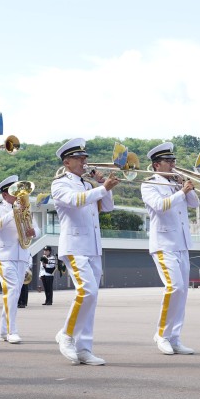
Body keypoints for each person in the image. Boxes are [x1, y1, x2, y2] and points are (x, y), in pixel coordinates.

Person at [52, 138, 118, 367]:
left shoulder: (88, 185)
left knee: (92, 298)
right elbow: (75, 201)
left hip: (92, 247)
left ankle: (84, 348)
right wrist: (102, 188)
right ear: (67, 161)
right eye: (79, 158)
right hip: (74, 246)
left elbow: (108, 207)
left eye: (84, 158)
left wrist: (103, 187)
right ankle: (66, 335)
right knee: (86, 291)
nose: (84, 162)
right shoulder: (60, 184)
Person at [140, 142, 198, 355]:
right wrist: (181, 191)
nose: (173, 164)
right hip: (164, 244)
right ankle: (162, 334)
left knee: (182, 293)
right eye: (169, 161)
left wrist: (187, 187)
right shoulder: (149, 184)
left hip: (182, 243)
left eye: (173, 160)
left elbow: (195, 204)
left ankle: (175, 337)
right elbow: (160, 206)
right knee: (174, 287)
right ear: (157, 165)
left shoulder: (176, 183)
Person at [0, 175, 40, 344]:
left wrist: (35, 232)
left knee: (14, 294)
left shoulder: (25, 207)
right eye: (13, 192)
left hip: (21, 255)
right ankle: (12, 331)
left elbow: (36, 228)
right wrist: (13, 212)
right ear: (4, 195)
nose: (18, 196)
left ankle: (3, 331)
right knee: (11, 291)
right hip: (5, 256)